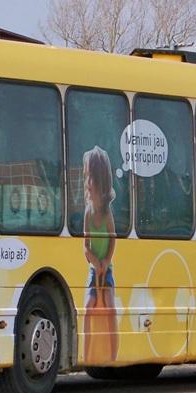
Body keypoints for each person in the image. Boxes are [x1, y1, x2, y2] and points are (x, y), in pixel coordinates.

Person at [82, 146, 118, 362]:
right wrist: (95, 261)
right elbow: (85, 247)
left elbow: (113, 239)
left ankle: (113, 356)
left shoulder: (106, 214)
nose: (88, 184)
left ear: (102, 184)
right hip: (94, 272)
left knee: (110, 306)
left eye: (92, 178)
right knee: (87, 308)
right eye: (86, 178)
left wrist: (106, 261)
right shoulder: (88, 213)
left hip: (107, 271)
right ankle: (86, 356)